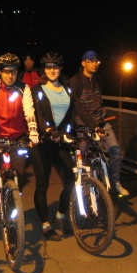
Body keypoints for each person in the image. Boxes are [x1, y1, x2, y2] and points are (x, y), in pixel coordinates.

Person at [30, 52, 103, 240]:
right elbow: (38, 114)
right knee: (42, 184)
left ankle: (61, 215)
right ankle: (45, 225)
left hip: (61, 140)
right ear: (44, 69)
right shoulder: (37, 90)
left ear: (60, 68)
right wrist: (47, 129)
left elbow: (80, 109)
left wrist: (95, 127)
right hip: (43, 142)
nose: (52, 70)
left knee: (71, 180)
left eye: (55, 66)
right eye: (48, 67)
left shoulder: (68, 89)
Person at [70, 50, 130, 198]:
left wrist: (101, 118)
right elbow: (76, 105)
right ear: (83, 63)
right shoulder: (75, 81)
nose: (94, 64)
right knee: (82, 158)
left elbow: (99, 100)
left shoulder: (98, 80)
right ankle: (81, 187)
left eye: (96, 61)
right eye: (90, 61)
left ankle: (115, 183)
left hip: (101, 123)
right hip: (83, 126)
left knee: (115, 151)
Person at [0, 53, 38, 188]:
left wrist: (33, 132)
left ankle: (14, 197)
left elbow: (29, 110)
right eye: (6, 71)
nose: (10, 76)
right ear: (0, 72)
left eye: (13, 71)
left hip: (17, 137)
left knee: (20, 174)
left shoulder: (24, 88)